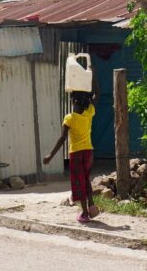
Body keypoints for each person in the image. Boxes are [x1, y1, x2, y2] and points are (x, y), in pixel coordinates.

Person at [43, 70, 99, 223]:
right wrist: (92, 77)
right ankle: (92, 206)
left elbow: (62, 139)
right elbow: (96, 95)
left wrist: (50, 155)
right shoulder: (89, 113)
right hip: (89, 152)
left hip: (76, 154)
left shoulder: (70, 118)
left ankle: (85, 214)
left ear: (74, 101)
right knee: (86, 179)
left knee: (79, 182)